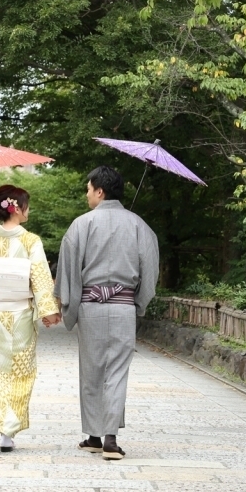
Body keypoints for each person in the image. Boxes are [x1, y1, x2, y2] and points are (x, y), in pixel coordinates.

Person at [55, 166, 159, 461]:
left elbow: (69, 270)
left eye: (88, 189)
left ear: (100, 191)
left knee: (92, 371)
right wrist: (139, 302)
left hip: (91, 307)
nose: (87, 195)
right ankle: (110, 438)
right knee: (116, 372)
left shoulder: (81, 225)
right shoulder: (139, 225)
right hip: (124, 306)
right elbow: (150, 271)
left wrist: (69, 306)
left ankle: (93, 436)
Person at [0, 184, 61, 453]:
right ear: (17, 208)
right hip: (20, 315)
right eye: (26, 206)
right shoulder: (31, 241)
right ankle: (7, 434)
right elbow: (40, 277)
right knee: (20, 372)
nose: (29, 211)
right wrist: (48, 310)